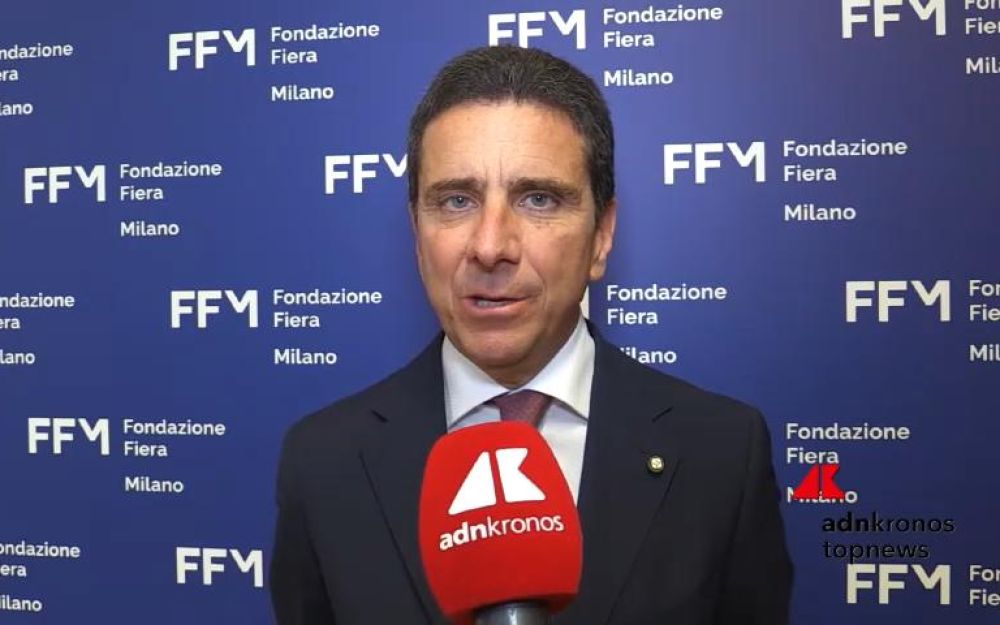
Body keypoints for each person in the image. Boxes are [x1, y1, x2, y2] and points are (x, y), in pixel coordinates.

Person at [270, 45, 792, 624]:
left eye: (538, 199)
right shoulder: (324, 461)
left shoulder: (722, 453)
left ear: (601, 237)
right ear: (417, 236)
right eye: (456, 200)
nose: (490, 245)